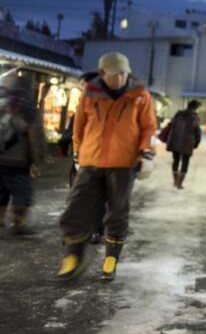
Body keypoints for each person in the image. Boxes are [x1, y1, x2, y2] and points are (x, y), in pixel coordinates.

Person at [55, 52, 156, 282]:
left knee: (117, 212)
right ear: (102, 74)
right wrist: (79, 155)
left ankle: (111, 258)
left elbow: (149, 128)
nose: (121, 77)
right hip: (91, 160)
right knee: (76, 207)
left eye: (124, 72)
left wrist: (147, 154)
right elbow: (78, 128)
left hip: (124, 163)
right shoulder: (89, 95)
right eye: (116, 73)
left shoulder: (140, 96)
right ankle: (72, 257)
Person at [0, 76, 48, 235]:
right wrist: (38, 161)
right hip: (18, 161)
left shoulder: (2, 103)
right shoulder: (28, 108)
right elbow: (36, 138)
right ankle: (19, 223)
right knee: (22, 192)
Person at [165, 100, 201, 189]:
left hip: (175, 141)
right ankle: (179, 184)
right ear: (195, 108)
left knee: (175, 161)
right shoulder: (194, 117)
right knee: (185, 163)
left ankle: (175, 181)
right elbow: (197, 131)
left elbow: (171, 126)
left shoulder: (178, 115)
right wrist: (196, 143)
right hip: (187, 143)